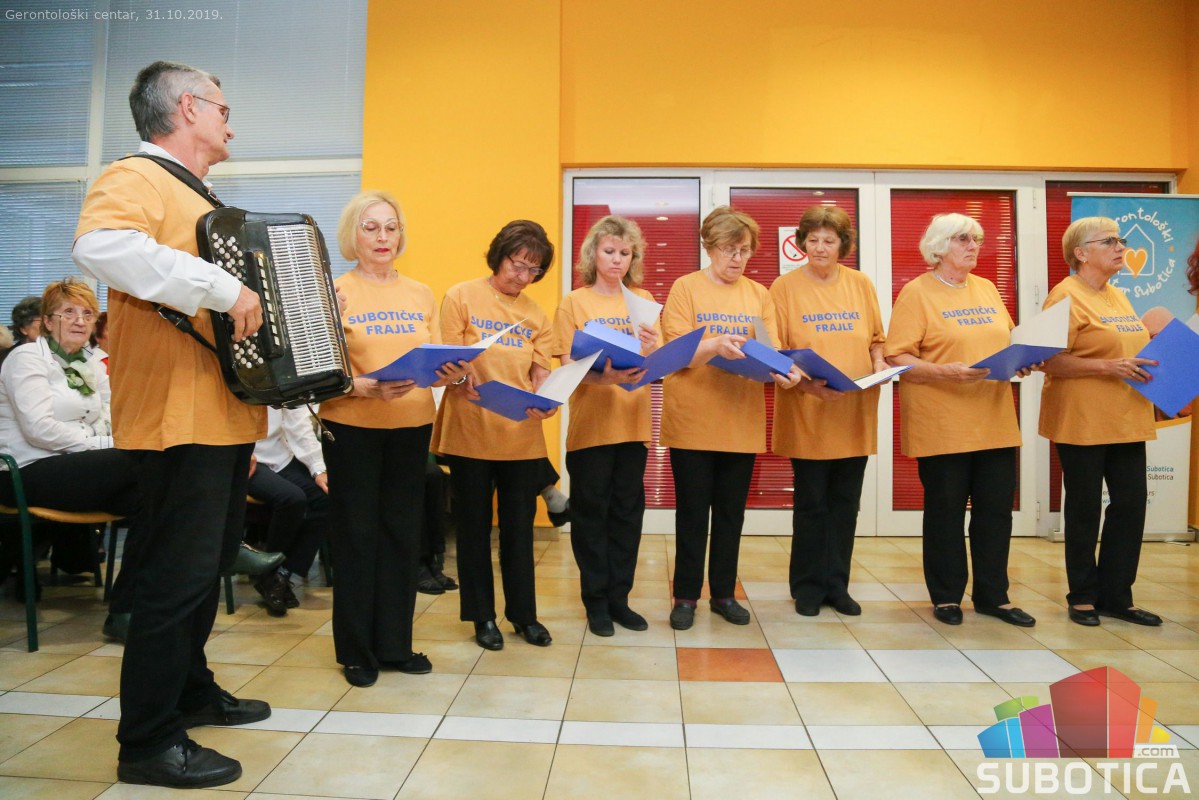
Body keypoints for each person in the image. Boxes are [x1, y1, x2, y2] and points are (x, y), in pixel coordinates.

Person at [72, 60, 270, 789]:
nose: (229, 121)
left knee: (206, 569)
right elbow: (101, 246)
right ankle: (148, 742)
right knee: (173, 580)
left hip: (222, 415)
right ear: (187, 107)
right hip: (175, 418)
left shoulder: (198, 193)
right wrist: (222, 287)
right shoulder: (136, 176)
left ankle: (191, 690)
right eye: (222, 107)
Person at [319, 190, 470, 686]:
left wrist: (451, 371)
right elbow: (316, 368)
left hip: (412, 427)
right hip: (351, 429)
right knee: (357, 538)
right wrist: (361, 387)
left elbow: (435, 360)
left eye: (391, 227)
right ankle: (357, 651)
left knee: (403, 538)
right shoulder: (333, 291)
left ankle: (394, 644)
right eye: (371, 227)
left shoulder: (421, 293)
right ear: (353, 235)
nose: (382, 236)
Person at [884, 213, 1034, 628]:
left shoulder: (986, 288)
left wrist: (1021, 359)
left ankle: (993, 596)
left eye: (977, 239)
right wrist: (943, 371)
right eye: (963, 239)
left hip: (994, 419)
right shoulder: (917, 293)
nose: (973, 246)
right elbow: (897, 356)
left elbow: (1007, 339)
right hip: (942, 422)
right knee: (946, 512)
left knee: (995, 512)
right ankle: (947, 595)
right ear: (939, 245)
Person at [661, 206, 798, 631]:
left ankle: (723, 593)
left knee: (730, 514)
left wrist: (786, 372)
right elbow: (674, 352)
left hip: (741, 421)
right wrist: (714, 345)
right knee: (692, 514)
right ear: (709, 247)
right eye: (728, 249)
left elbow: (770, 349)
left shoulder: (759, 294)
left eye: (745, 250)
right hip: (692, 421)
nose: (737, 258)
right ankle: (686, 596)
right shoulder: (685, 288)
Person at [433, 220, 557, 651]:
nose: (522, 276)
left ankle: (524, 616)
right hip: (470, 430)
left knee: (519, 531)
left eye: (533, 270)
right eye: (517, 264)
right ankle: (482, 616)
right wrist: (458, 377)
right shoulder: (461, 296)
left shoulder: (536, 314)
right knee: (473, 529)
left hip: (520, 434)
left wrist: (547, 396)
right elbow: (447, 359)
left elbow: (541, 372)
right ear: (498, 256)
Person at [1039, 217, 1160, 627]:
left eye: (1121, 240)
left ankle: (1117, 596)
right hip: (1082, 419)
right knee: (1085, 508)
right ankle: (1083, 596)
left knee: (1130, 506)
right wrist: (1108, 366)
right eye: (1109, 241)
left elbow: (1128, 349)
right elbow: (1048, 360)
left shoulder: (1118, 296)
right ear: (1080, 252)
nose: (1120, 247)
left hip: (1127, 417)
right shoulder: (1064, 296)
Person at [770, 206, 885, 617]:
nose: (819, 248)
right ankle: (807, 587)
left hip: (854, 410)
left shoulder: (861, 283)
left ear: (842, 245)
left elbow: (876, 339)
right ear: (802, 242)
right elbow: (776, 349)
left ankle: (837, 586)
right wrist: (805, 382)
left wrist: (879, 363)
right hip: (808, 410)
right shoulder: (783, 287)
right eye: (813, 240)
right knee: (812, 503)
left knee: (845, 503)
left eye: (828, 241)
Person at [552, 215, 660, 636]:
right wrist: (605, 377)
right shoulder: (574, 302)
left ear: (633, 258)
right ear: (593, 254)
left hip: (633, 427)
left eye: (624, 252)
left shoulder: (644, 301)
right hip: (590, 429)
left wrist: (652, 349)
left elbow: (658, 365)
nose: (617, 259)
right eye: (609, 251)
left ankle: (620, 599)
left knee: (627, 516)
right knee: (591, 516)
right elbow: (566, 364)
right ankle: (596, 602)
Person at [0, 279, 140, 547]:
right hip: (26, 471)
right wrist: (104, 443)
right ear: (47, 321)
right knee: (142, 459)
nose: (80, 321)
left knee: (155, 498)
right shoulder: (27, 358)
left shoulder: (90, 361)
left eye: (87, 314)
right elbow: (39, 429)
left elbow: (115, 412)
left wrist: (118, 437)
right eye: (68, 312)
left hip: (76, 466)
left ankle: (131, 574)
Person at [247, 406, 331, 616]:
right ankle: (267, 570)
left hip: (280, 454)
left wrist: (318, 468)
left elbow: (299, 423)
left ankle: (280, 575)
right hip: (247, 460)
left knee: (325, 496)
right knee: (292, 498)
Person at [0, 295, 42, 369]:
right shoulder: (5, 359)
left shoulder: (55, 356)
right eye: (42, 322)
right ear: (24, 328)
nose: (49, 327)